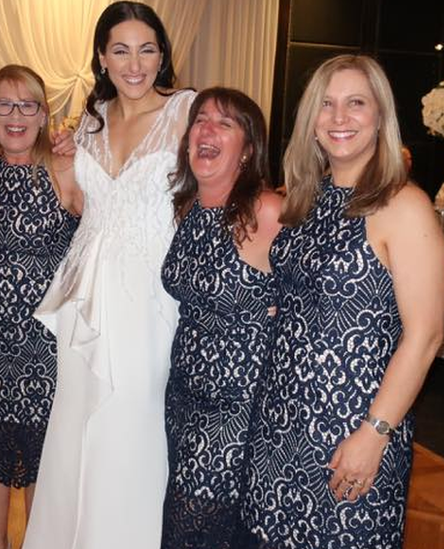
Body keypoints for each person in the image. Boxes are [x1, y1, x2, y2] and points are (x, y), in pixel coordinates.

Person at [241, 55, 444, 549]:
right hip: (278, 423)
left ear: (380, 117)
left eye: (356, 103)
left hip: (351, 429)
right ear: (311, 121)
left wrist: (374, 434)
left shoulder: (403, 205)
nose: (339, 118)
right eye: (327, 104)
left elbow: (426, 336)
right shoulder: (303, 199)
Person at [22, 3, 196, 548]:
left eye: (146, 49)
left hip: (151, 295)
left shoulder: (188, 111)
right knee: (75, 422)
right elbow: (79, 204)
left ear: (163, 55)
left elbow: (222, 187)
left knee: (132, 423)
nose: (134, 62)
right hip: (85, 293)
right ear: (101, 57)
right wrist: (57, 161)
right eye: (120, 49)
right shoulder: (91, 118)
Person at [0, 64, 82, 549]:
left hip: (44, 346)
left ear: (43, 114)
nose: (15, 115)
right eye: (4, 104)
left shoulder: (65, 169)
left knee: (39, 458)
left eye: (27, 104)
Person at [159, 87, 282, 549]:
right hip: (184, 396)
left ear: (248, 150)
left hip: (239, 403)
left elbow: (321, 288)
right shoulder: (188, 209)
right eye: (200, 120)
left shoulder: (265, 210)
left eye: (224, 124)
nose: (207, 130)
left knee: (194, 528)